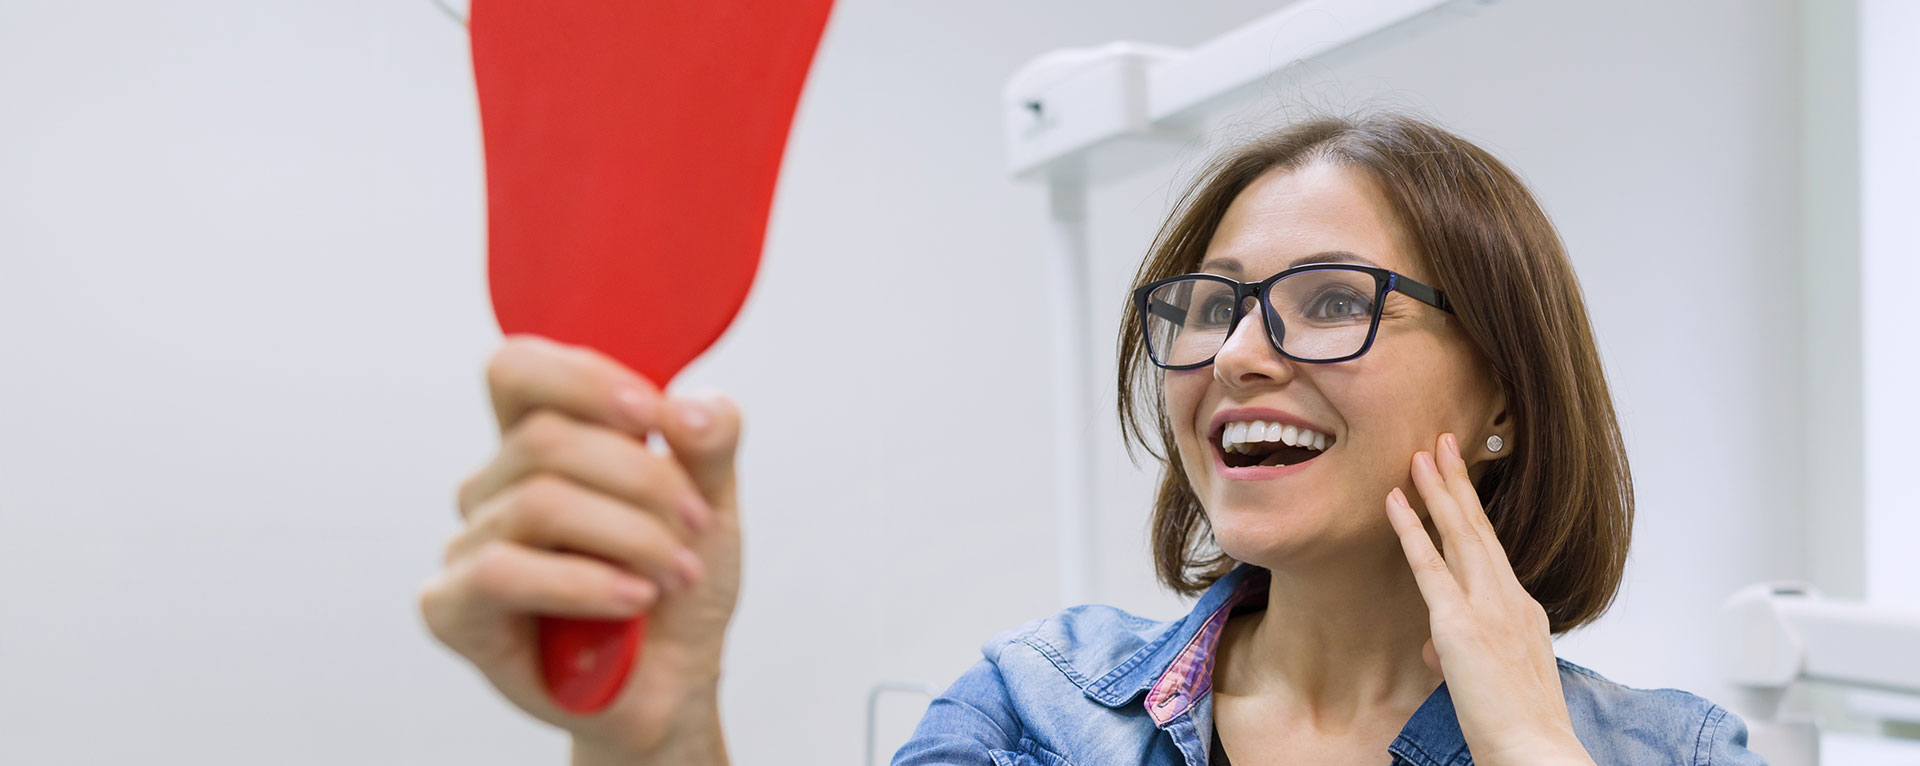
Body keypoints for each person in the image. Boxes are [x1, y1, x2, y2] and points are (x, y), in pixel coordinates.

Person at [418, 112, 1766, 765]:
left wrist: (1529, 740)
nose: (1240, 349)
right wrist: (656, 741)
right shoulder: (1039, 710)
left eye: (1334, 301)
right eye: (1210, 305)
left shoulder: (1672, 753)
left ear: (1508, 400)